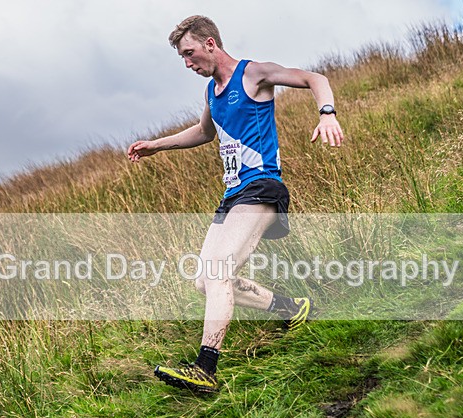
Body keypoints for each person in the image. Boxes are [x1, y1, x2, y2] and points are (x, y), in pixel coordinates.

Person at [127, 15, 344, 394]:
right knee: (203, 281)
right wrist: (155, 146)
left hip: (262, 187)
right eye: (182, 58)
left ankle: (205, 368)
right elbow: (204, 132)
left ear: (210, 44)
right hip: (233, 196)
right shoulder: (212, 92)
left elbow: (316, 79)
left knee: (217, 272)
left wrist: (327, 114)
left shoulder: (253, 74)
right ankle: (292, 309)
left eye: (190, 53)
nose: (188, 63)